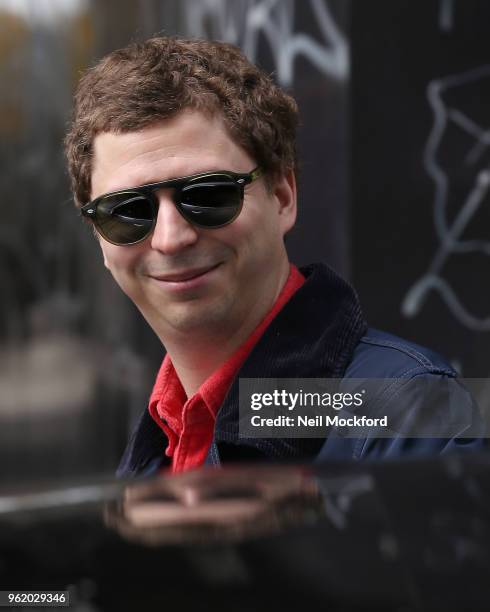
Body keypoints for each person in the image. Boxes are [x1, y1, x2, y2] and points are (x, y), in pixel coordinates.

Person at [65, 36, 484, 478]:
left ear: (282, 197)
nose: (170, 239)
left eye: (209, 194)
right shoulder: (163, 439)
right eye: (127, 212)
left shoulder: (410, 415)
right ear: (98, 237)